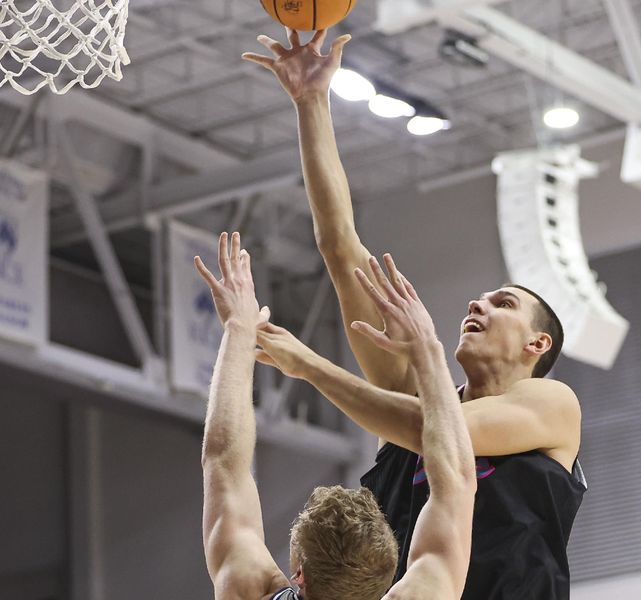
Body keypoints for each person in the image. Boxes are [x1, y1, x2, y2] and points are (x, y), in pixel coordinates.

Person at [243, 28, 587, 599]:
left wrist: (311, 366)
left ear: (537, 346)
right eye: (480, 298)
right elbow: (339, 243)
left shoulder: (552, 405)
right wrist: (311, 104)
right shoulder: (414, 401)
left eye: (504, 304)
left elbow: (436, 435)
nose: (477, 304)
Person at [196, 231, 477, 600]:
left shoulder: (249, 589)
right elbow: (457, 479)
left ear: (299, 573)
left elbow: (222, 460)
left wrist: (238, 329)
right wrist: (427, 348)